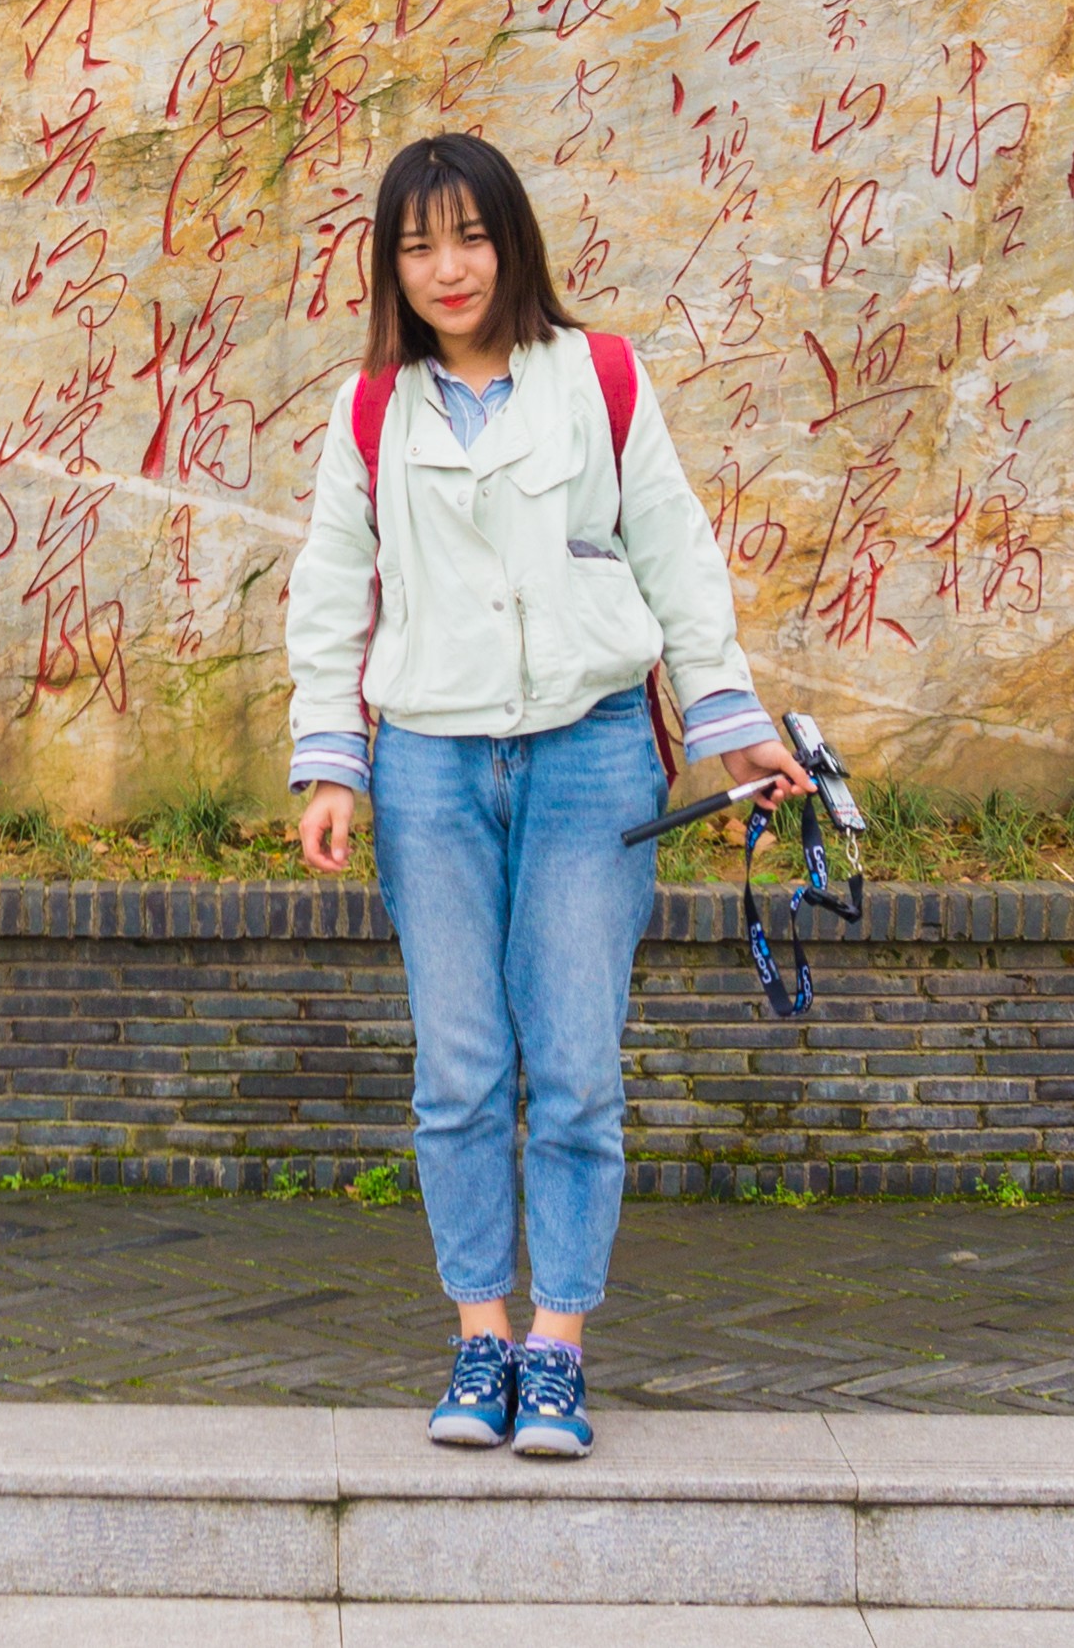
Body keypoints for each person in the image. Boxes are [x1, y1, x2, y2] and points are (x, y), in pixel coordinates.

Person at [284, 129, 808, 1464]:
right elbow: (333, 590)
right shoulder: (369, 412)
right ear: (389, 270)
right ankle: (478, 1335)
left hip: (589, 755)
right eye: (416, 247)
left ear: (511, 242)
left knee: (574, 1067)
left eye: (468, 237)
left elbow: (678, 558)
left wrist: (732, 722)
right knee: (461, 1066)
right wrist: (332, 756)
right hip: (430, 767)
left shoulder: (602, 381)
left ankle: (558, 1350)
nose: (447, 268)